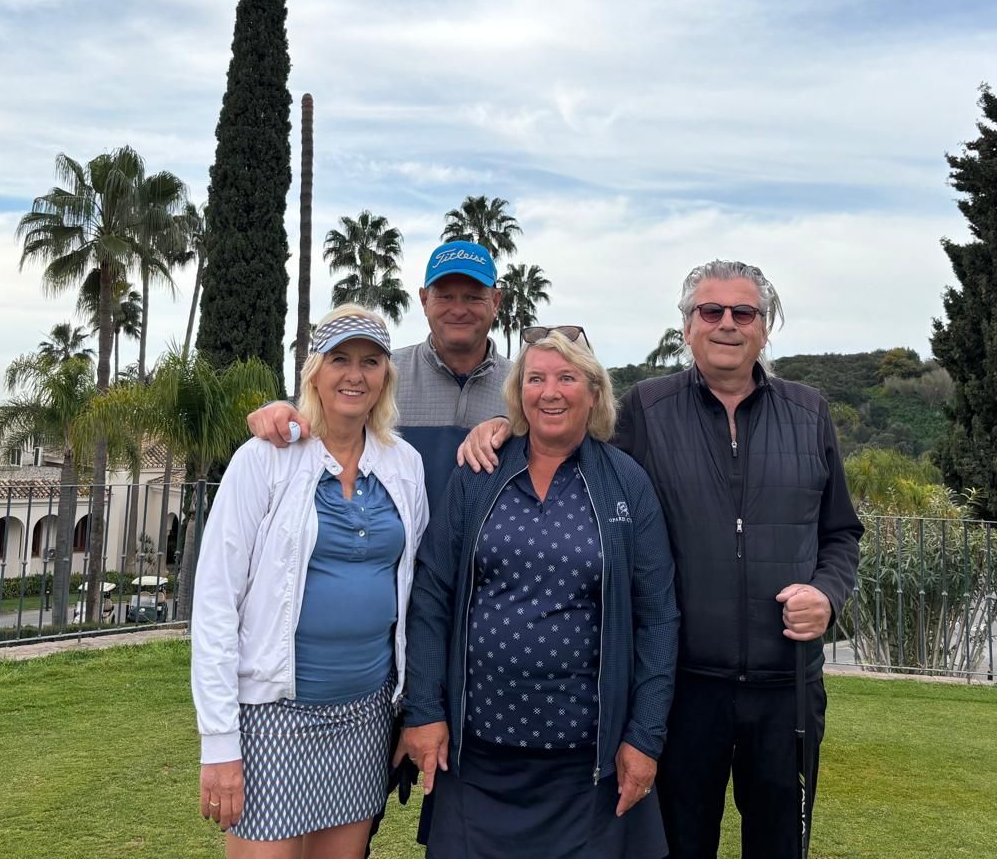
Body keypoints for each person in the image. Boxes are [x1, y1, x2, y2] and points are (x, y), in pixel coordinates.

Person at [460, 261, 863, 859]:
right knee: (679, 846)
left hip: (788, 687)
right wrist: (506, 425)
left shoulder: (809, 413)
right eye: (711, 311)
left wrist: (827, 594)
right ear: (687, 326)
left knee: (781, 846)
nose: (727, 324)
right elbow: (569, 441)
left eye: (743, 312)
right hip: (683, 688)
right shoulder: (648, 407)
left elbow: (841, 533)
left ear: (764, 327)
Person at [400, 326, 679, 859]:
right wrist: (424, 710)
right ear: (519, 392)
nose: (550, 392)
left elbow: (658, 617)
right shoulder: (479, 472)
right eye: (536, 379)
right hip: (476, 755)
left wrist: (644, 737)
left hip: (586, 765)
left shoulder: (626, 483)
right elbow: (433, 593)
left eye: (567, 378)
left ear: (594, 392)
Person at [193, 305, 429, 857]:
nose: (355, 375)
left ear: (385, 377)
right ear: (314, 372)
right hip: (273, 715)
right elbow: (216, 602)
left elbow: (415, 590)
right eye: (340, 359)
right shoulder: (264, 460)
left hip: (365, 714)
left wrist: (410, 706)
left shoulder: (405, 464)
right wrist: (220, 743)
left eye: (370, 362)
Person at [246, 240, 512, 507]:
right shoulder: (380, 374)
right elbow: (322, 415)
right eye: (445, 296)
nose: (459, 309)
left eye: (473, 297)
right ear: (424, 300)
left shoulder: (524, 387)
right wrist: (278, 409)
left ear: (496, 301)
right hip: (395, 533)